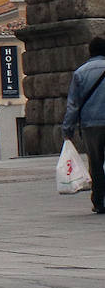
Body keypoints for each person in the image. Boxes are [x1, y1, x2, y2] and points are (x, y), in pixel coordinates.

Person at [61, 36, 105, 214]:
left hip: (90, 125)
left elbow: (73, 105)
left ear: (90, 52)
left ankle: (99, 200)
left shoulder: (80, 73)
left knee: (95, 163)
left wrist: (67, 129)